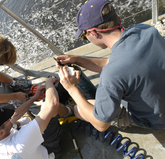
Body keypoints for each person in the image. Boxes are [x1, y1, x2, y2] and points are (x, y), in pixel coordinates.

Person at [56, 0, 165, 131]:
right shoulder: (146, 31)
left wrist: (71, 88)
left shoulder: (112, 74)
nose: (87, 38)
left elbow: (101, 124)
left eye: (85, 35)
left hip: (157, 120)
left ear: (94, 33)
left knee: (78, 109)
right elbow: (118, 63)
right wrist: (76, 59)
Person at [0, 78, 73, 159]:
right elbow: (52, 105)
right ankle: (71, 110)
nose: (10, 117)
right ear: (1, 133)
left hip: (29, 157)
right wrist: (49, 83)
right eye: (6, 119)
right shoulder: (21, 142)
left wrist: (34, 98)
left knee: (21, 121)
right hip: (49, 153)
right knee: (49, 108)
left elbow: (16, 115)